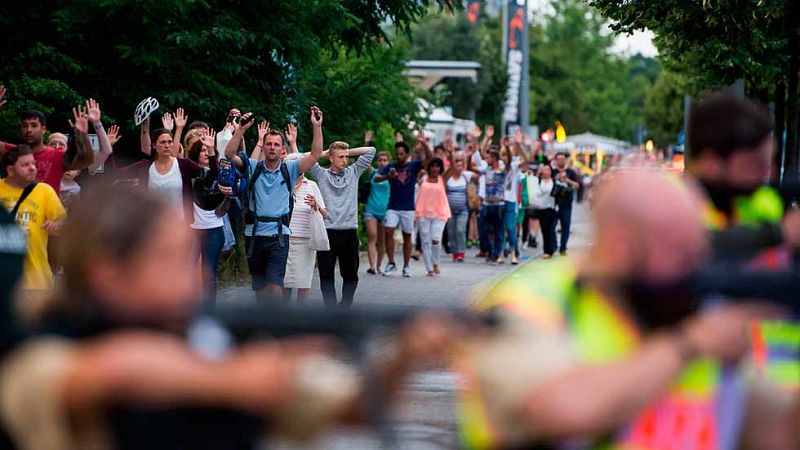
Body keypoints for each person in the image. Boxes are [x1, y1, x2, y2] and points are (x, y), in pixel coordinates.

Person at [0, 184, 455, 450]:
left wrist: (402, 359)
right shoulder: (43, 344)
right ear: (107, 270)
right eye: (170, 259)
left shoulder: (206, 336)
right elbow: (108, 370)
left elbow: (349, 410)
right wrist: (227, 379)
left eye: (190, 257)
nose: (192, 275)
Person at [456, 170, 797, 450]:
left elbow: (774, 430)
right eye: (679, 253)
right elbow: (559, 409)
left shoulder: (682, 310)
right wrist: (688, 345)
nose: (694, 269)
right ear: (620, 246)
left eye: (698, 252)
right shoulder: (529, 300)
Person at [686, 93, 800, 391]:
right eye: (754, 163)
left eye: (768, 162)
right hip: (704, 387)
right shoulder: (674, 206)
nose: (767, 173)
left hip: (774, 390)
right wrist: (779, 235)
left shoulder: (762, 204)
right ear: (712, 162)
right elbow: (692, 256)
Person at [224, 108, 323, 302]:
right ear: (264, 147)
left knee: (275, 286)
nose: (271, 147)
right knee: (260, 290)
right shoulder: (253, 167)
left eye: (276, 144)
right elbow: (229, 154)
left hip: (279, 236)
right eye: (268, 144)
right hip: (254, 235)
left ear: (282, 150)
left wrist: (317, 126)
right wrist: (241, 130)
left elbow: (316, 154)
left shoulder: (291, 169)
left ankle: (276, 326)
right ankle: (263, 325)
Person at [0, 146, 66, 320]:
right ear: (10, 170)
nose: (32, 168)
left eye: (33, 163)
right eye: (25, 164)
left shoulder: (44, 191)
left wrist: (57, 225)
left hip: (36, 281)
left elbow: (65, 222)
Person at [309, 140, 375, 307]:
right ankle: (331, 311)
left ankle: (345, 307)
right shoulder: (321, 174)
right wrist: (324, 153)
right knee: (326, 274)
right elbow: (305, 158)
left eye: (346, 157)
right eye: (340, 157)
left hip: (349, 231)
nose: (345, 160)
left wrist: (346, 151)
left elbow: (371, 151)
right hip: (327, 231)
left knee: (351, 275)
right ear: (331, 158)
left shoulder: (354, 172)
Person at [115, 127, 218, 223]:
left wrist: (211, 150)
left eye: (170, 142)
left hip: (179, 225)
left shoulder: (184, 165)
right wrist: (108, 150)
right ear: (154, 145)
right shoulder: (145, 167)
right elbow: (115, 174)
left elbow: (212, 175)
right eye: (163, 142)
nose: (167, 145)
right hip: (152, 226)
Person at [0, 100, 94, 194]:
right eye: (25, 126)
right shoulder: (12, 153)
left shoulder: (57, 156)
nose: (29, 130)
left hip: (48, 207)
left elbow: (86, 161)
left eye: (34, 125)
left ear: (43, 129)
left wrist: (83, 134)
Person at [376, 137, 432, 277]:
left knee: (407, 236)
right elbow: (376, 178)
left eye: (402, 154)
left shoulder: (413, 166)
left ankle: (406, 267)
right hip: (393, 206)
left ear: (406, 154)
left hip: (408, 207)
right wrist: (388, 176)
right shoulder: (391, 167)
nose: (399, 156)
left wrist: (424, 143)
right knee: (388, 231)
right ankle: (391, 263)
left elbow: (430, 160)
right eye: (397, 154)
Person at [186, 131, 225, 311]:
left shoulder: (216, 173)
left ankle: (209, 312)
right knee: (188, 270)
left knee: (208, 274)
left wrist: (211, 149)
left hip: (214, 229)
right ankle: (188, 308)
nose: (204, 152)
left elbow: (214, 171)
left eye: (206, 150)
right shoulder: (190, 173)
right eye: (201, 150)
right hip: (193, 229)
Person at [283, 174, 326, 303]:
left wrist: (315, 205)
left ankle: (301, 318)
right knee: (284, 282)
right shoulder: (282, 182)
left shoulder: (311, 185)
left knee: (304, 282)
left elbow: (325, 214)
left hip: (306, 240)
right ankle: (281, 316)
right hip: (284, 239)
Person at [415, 158, 451, 276]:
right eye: (432, 166)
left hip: (439, 213)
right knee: (425, 241)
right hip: (423, 213)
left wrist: (451, 155)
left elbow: (453, 169)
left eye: (437, 166)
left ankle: (435, 262)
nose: (435, 168)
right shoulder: (423, 179)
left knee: (436, 239)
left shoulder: (442, 179)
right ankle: (429, 268)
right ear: (429, 167)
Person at [444, 151, 477, 262]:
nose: (458, 167)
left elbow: (479, 175)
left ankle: (461, 252)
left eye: (460, 165)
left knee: (460, 230)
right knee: (451, 232)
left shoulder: (466, 176)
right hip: (450, 210)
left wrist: (471, 162)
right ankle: (454, 252)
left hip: (463, 210)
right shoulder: (449, 177)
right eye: (456, 164)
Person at [364, 150, 391, 274]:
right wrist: (367, 144)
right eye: (380, 160)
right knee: (372, 235)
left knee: (382, 240)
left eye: (385, 160)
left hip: (385, 211)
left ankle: (379, 266)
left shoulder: (391, 175)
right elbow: (366, 162)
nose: (382, 162)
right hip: (371, 209)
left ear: (388, 162)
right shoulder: (373, 173)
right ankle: (372, 266)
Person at [551, 152, 580, 255]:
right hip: (553, 203)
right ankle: (553, 246)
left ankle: (563, 247)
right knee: (551, 226)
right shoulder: (552, 172)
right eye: (559, 159)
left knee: (565, 226)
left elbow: (577, 185)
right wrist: (556, 178)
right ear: (555, 160)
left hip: (566, 203)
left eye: (563, 159)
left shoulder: (571, 172)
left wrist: (567, 180)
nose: (561, 161)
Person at [527, 165, 557, 258]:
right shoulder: (538, 182)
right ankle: (549, 248)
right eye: (544, 170)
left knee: (548, 227)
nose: (546, 171)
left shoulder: (554, 182)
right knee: (544, 229)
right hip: (540, 207)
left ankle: (548, 250)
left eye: (548, 169)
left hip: (551, 207)